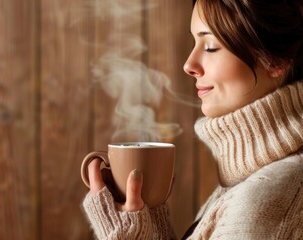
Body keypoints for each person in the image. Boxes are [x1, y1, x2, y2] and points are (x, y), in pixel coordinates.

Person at [82, 0, 303, 239]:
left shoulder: (262, 198)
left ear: (275, 60)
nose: (189, 65)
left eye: (209, 46)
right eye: (194, 42)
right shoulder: (251, 181)